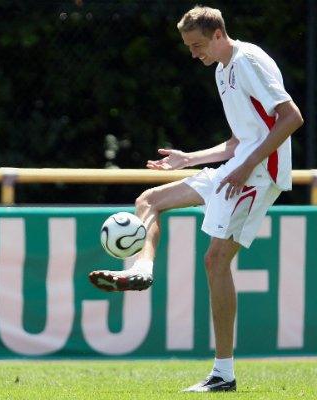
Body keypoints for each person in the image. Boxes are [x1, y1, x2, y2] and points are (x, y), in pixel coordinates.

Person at [88, 5, 303, 393]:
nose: (193, 54)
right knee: (149, 200)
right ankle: (142, 270)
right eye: (189, 46)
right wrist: (191, 158)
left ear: (219, 35)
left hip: (258, 174)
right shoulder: (223, 70)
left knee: (215, 260)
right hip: (238, 166)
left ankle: (223, 373)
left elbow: (291, 117)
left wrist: (244, 166)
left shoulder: (249, 61)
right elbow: (242, 137)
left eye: (198, 45)